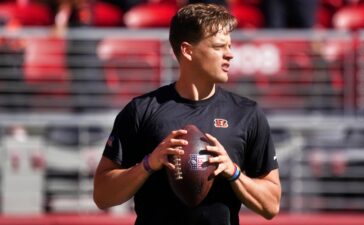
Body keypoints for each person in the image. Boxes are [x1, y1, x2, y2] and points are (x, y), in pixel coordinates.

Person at [93, 3, 281, 225]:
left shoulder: (247, 114)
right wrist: (148, 164)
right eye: (219, 47)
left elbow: (271, 206)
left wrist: (233, 172)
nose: (230, 55)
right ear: (187, 50)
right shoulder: (141, 110)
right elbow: (102, 195)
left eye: (230, 46)